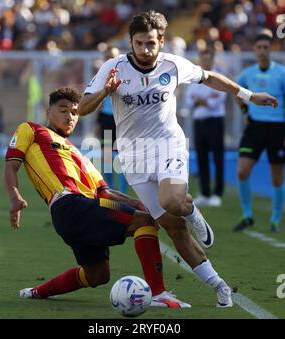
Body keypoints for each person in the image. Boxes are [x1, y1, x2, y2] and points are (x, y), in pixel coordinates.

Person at [78, 11, 277, 307]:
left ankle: (192, 209)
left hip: (168, 145)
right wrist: (106, 91)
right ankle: (219, 285)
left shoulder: (173, 64)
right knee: (174, 228)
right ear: (130, 42)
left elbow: (209, 78)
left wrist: (247, 95)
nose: (145, 50)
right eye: (139, 43)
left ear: (162, 41)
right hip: (133, 158)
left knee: (173, 201)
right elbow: (82, 108)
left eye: (151, 43)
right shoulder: (114, 66)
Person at [4, 87, 191, 308]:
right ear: (48, 112)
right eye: (63, 110)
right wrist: (14, 196)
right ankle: (158, 294)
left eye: (74, 112)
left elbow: (106, 193)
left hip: (86, 206)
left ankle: (37, 292)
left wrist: (141, 203)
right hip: (68, 203)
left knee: (98, 275)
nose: (69, 116)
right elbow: (11, 165)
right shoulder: (32, 129)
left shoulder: (77, 153)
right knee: (144, 222)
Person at [233, 33, 285, 233]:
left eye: (266, 47)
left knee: (277, 178)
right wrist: (246, 111)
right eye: (259, 47)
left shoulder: (281, 73)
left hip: (278, 128)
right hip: (255, 128)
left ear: (271, 49)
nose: (262, 51)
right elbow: (237, 93)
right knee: (241, 171)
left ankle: (275, 219)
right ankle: (247, 215)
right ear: (254, 50)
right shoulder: (247, 74)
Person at [185, 49, 227, 207]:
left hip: (215, 121)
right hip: (199, 122)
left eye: (208, 59)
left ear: (213, 61)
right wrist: (205, 100)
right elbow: (189, 101)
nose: (206, 62)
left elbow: (217, 100)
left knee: (218, 157)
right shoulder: (195, 78)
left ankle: (218, 193)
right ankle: (205, 192)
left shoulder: (218, 78)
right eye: (203, 59)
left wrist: (200, 100)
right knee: (202, 157)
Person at [95, 45, 129, 194]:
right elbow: (98, 100)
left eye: (113, 56)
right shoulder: (101, 76)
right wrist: (98, 121)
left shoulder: (126, 75)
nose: (110, 59)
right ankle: (108, 190)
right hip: (107, 119)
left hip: (121, 120)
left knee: (122, 158)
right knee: (106, 157)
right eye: (107, 56)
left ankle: (123, 192)